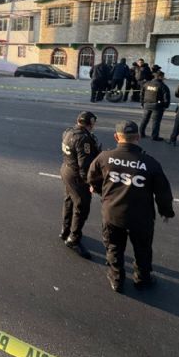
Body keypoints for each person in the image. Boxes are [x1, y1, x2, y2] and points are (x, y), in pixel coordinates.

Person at [88, 120, 175, 292]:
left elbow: (92, 179)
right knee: (142, 249)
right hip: (141, 217)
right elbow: (163, 192)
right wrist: (166, 211)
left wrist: (102, 193)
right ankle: (142, 278)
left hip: (112, 213)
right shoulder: (150, 163)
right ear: (138, 137)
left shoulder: (104, 157)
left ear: (116, 137)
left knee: (113, 247)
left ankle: (116, 279)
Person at [59, 111, 101, 259]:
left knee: (69, 201)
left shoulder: (68, 131)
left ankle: (65, 230)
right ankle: (74, 239)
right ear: (90, 123)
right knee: (81, 207)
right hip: (77, 176)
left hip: (66, 170)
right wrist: (91, 183)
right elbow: (85, 165)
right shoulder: (84, 139)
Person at [139, 71, 171, 141]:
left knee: (144, 120)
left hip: (147, 104)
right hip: (157, 106)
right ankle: (154, 136)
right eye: (163, 77)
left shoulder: (147, 84)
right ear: (160, 77)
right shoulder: (163, 86)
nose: (163, 78)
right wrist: (165, 106)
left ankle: (140, 133)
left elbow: (142, 94)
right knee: (156, 122)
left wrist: (142, 103)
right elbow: (166, 98)